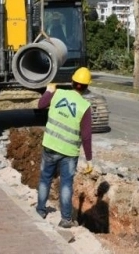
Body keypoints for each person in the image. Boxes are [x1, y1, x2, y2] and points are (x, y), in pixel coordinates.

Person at [35, 67, 94, 228]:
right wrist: (89, 159)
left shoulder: (58, 94)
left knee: (45, 178)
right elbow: (87, 136)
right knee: (66, 184)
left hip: (50, 146)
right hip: (69, 153)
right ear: (87, 86)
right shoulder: (84, 106)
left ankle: (40, 210)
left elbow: (41, 105)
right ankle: (66, 219)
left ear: (72, 81)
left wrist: (48, 90)